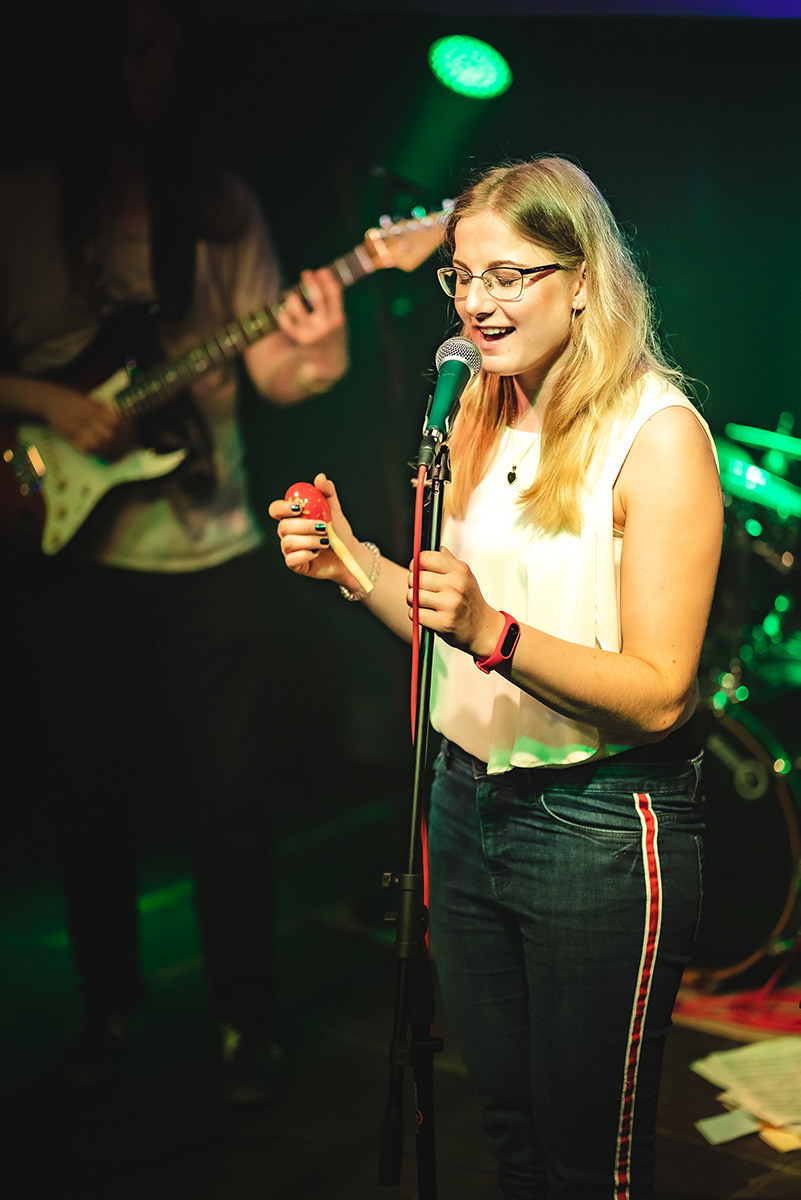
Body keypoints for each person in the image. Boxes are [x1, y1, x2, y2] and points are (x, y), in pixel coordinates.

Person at [268, 157, 723, 1198]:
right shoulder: (473, 404)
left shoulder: (656, 438)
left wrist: (492, 631)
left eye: (508, 276)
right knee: (510, 1135)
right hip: (464, 800)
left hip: (597, 823)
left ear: (581, 280)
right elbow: (449, 622)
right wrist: (354, 563)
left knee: (588, 1161)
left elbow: (660, 691)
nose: (476, 302)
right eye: (463, 276)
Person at [0, 0, 347, 1103]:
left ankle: (247, 1025)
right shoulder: (22, 202)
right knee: (86, 801)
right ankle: (107, 1011)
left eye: (169, 48)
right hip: (69, 550)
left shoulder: (218, 203)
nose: (153, 68)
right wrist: (49, 402)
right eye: (134, 43)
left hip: (209, 554)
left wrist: (318, 345)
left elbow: (275, 373)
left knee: (228, 803)